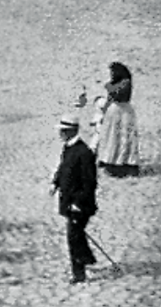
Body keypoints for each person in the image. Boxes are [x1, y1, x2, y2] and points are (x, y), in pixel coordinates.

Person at [51, 114, 97, 284]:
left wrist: (78, 203)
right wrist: (55, 183)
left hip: (80, 205)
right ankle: (86, 259)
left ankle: (79, 272)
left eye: (62, 131)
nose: (60, 134)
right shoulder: (68, 148)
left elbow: (89, 182)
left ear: (70, 131)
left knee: (74, 237)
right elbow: (63, 169)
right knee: (77, 234)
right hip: (68, 201)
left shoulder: (84, 153)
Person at [94, 62, 140, 177]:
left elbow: (118, 95)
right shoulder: (116, 83)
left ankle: (125, 164)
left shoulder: (126, 82)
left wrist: (109, 87)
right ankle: (110, 162)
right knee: (112, 137)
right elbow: (111, 96)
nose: (112, 74)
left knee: (123, 138)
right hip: (114, 112)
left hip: (124, 112)